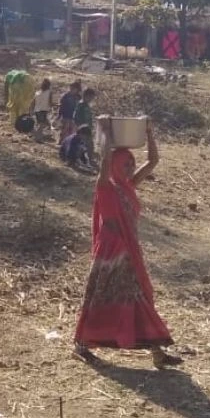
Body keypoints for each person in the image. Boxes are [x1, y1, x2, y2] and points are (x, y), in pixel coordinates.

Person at [73, 118, 182, 370]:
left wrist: (150, 133)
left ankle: (156, 351)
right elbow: (104, 162)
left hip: (129, 250)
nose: (131, 167)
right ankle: (82, 344)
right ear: (114, 165)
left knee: (138, 296)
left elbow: (153, 161)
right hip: (111, 252)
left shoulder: (129, 186)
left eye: (132, 163)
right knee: (103, 296)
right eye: (126, 164)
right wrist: (107, 136)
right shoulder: (105, 186)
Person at [72, 88, 98, 171]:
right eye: (91, 97)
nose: (91, 99)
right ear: (86, 96)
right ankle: (76, 161)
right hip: (82, 129)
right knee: (83, 145)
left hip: (87, 128)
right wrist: (80, 126)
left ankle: (89, 161)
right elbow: (75, 117)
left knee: (90, 145)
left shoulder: (86, 105)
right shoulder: (81, 105)